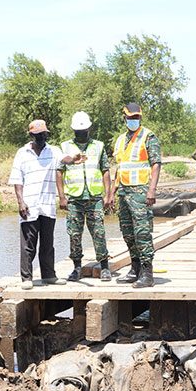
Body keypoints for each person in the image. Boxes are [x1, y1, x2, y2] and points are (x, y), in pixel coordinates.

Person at [8, 120, 69, 290]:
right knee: (28, 244)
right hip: (30, 205)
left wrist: (75, 158)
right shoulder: (22, 153)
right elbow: (17, 180)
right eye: (38, 135)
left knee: (48, 243)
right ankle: (26, 278)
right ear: (31, 135)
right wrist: (21, 201)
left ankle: (49, 275)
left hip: (47, 205)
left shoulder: (53, 151)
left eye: (44, 134)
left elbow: (66, 159)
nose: (42, 137)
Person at [107, 103, 162, 288]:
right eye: (130, 118)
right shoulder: (121, 139)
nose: (133, 120)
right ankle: (135, 268)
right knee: (128, 232)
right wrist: (111, 192)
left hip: (140, 191)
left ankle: (147, 273)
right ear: (125, 118)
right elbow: (120, 167)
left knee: (142, 232)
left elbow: (156, 164)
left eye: (136, 117)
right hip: (123, 191)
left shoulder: (148, 136)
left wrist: (152, 190)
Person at [56, 111, 112, 282]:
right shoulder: (65, 147)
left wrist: (108, 195)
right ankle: (77, 268)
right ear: (74, 131)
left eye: (84, 131)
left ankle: (104, 267)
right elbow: (59, 172)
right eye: (78, 131)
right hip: (74, 198)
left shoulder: (99, 146)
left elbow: (105, 170)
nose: (81, 134)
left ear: (89, 129)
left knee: (99, 232)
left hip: (94, 197)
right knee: (74, 234)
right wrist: (62, 197)